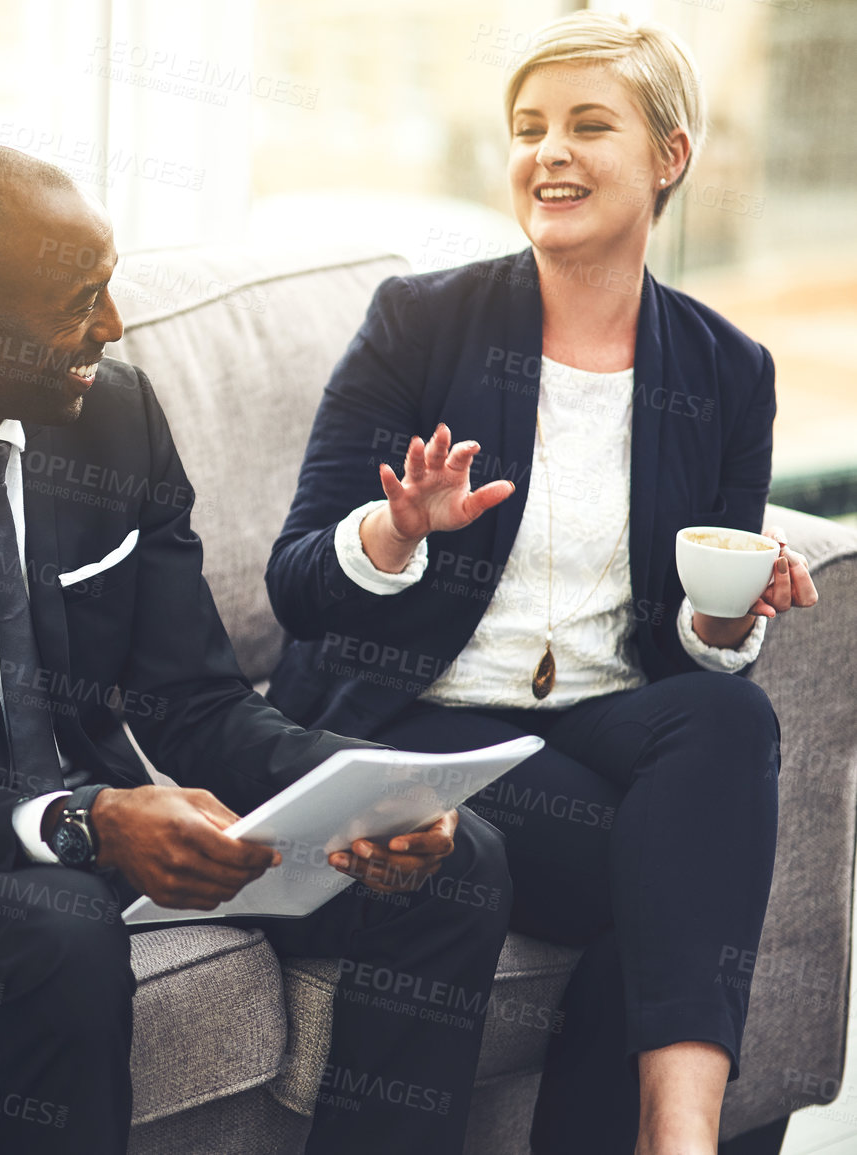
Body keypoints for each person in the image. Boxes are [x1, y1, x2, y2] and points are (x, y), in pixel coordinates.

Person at [0, 142, 513, 1155]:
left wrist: (375, 799)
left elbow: (196, 701)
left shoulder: (112, 415)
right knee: (62, 929)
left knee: (457, 858)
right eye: (77, 302)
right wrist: (89, 822)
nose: (110, 326)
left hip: (107, 824)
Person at [263, 13, 816, 1155]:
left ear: (670, 156)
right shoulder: (422, 324)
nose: (548, 152)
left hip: (605, 722)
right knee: (671, 881)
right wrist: (395, 531)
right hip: (422, 726)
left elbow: (692, 633)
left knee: (728, 716)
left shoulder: (727, 371)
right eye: (528, 129)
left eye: (587, 125)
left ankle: (682, 1137)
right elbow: (297, 582)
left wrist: (726, 616)